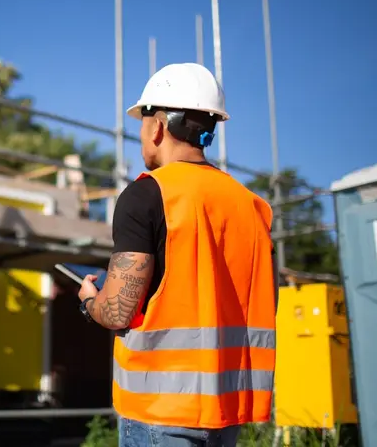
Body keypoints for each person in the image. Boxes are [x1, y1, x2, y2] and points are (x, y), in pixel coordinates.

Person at [77, 63, 278, 447]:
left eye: (142, 123)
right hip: (228, 410)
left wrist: (89, 300)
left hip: (159, 414)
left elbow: (118, 311)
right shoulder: (251, 206)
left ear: (157, 126)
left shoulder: (147, 194)